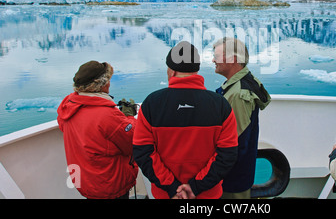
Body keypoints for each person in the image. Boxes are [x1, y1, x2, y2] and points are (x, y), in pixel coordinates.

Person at [133, 41, 238, 199]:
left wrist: (172, 187)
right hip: (206, 194)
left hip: (167, 195)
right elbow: (227, 154)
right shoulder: (220, 105)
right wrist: (193, 188)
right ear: (196, 69)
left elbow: (143, 152)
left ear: (172, 70)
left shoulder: (151, 103)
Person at [57, 61, 138, 199]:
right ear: (103, 85)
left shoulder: (68, 107)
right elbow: (133, 142)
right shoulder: (106, 115)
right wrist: (129, 116)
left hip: (87, 182)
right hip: (109, 184)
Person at [213, 37, 271, 199]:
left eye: (217, 56)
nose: (213, 60)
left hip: (231, 182)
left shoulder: (239, 94)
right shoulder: (240, 84)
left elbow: (236, 144)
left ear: (233, 59)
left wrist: (212, 174)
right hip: (235, 177)